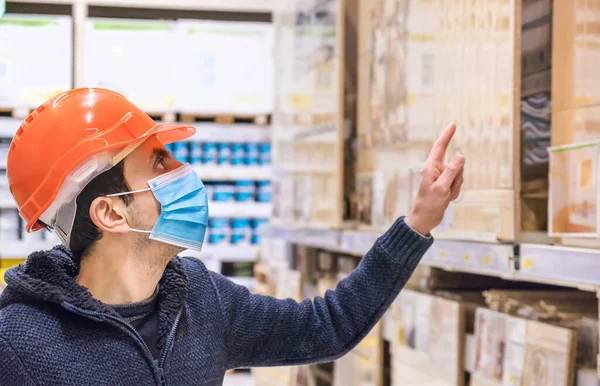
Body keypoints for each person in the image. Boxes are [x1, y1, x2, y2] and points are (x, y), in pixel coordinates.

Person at [0, 88, 464, 386]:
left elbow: (329, 325)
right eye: (158, 162)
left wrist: (417, 223)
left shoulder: (202, 299)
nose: (183, 170)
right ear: (110, 212)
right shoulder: (21, 345)